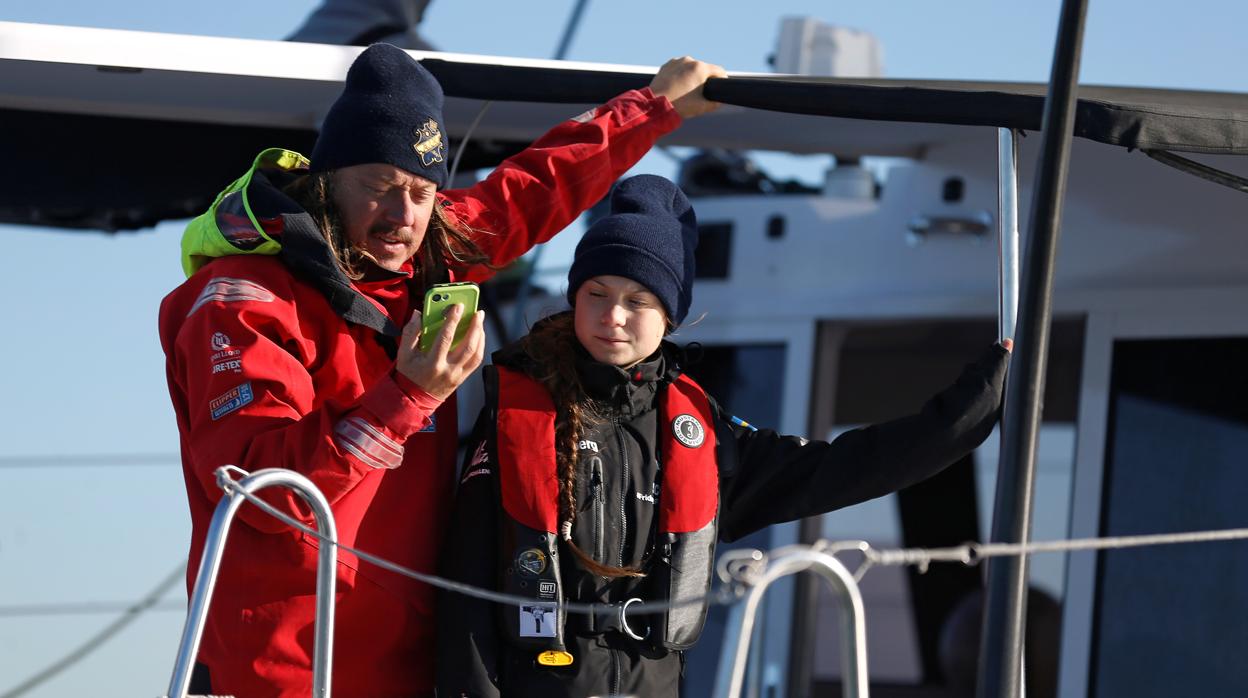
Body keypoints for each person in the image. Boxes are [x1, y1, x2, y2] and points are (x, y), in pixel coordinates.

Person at [158, 43, 724, 698]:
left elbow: (528, 193)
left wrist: (649, 111)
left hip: (410, 665)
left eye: (422, 193)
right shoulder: (242, 301)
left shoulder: (423, 254)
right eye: (378, 189)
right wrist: (409, 397)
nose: (403, 217)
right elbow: (267, 496)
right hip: (275, 670)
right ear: (326, 180)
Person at [435, 175, 1012, 698]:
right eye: (597, 294)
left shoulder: (699, 433)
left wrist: (970, 412)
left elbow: (846, 468)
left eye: (637, 300)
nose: (613, 315)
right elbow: (466, 583)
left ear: (671, 318)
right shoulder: (511, 408)